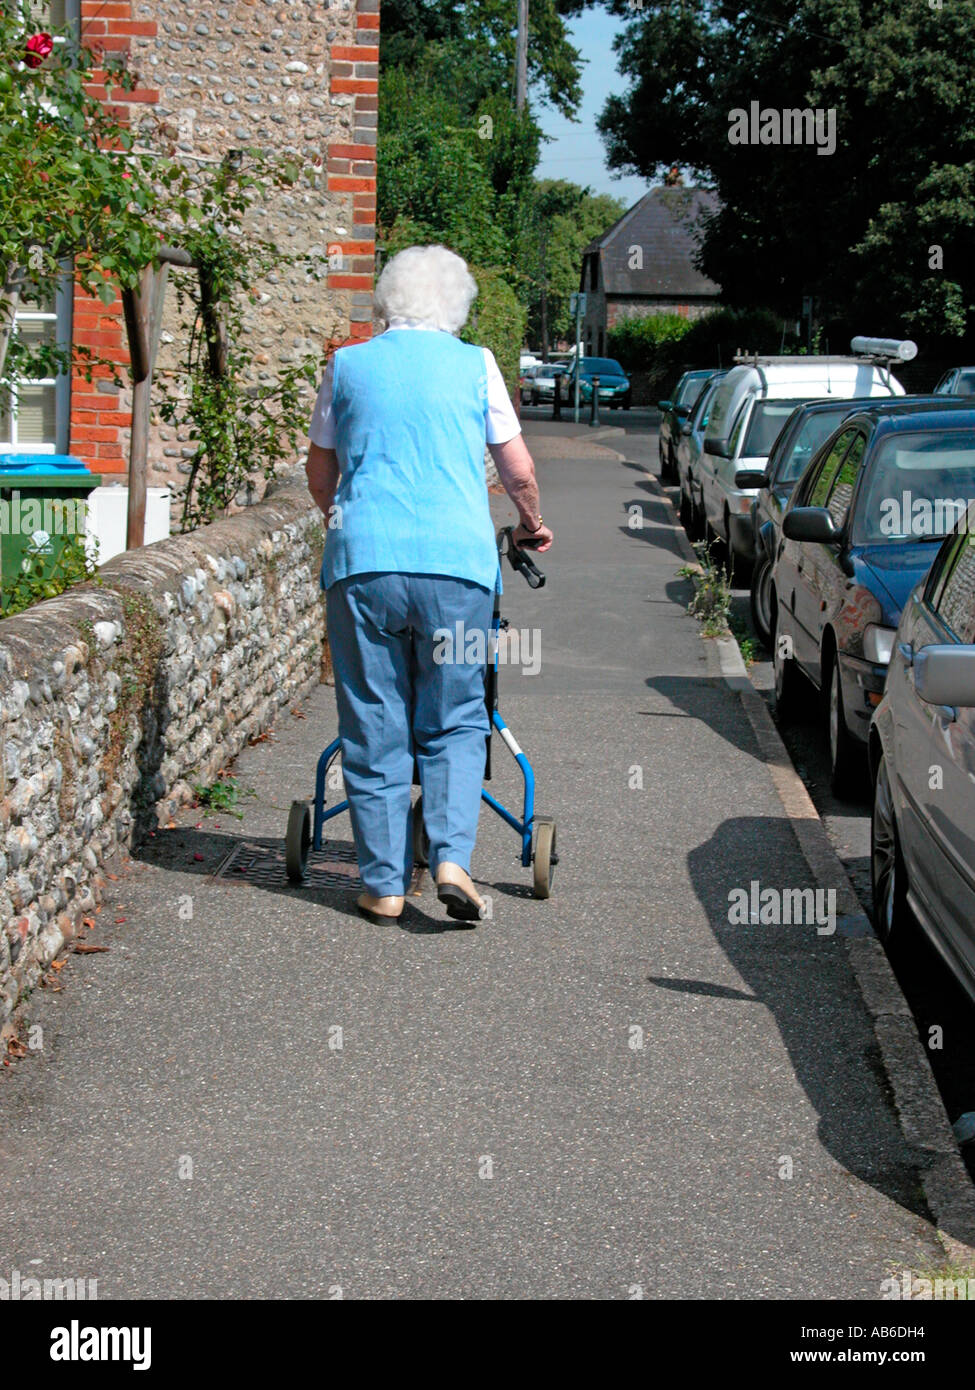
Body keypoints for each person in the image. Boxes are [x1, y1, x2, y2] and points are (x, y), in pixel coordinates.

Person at [305, 244, 553, 925]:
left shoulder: (348, 364)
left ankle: (384, 883)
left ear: (385, 302)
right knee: (454, 716)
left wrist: (343, 522)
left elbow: (320, 469)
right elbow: (517, 468)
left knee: (374, 718)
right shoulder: (475, 364)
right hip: (456, 571)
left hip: (364, 567)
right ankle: (449, 858)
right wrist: (531, 523)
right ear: (458, 306)